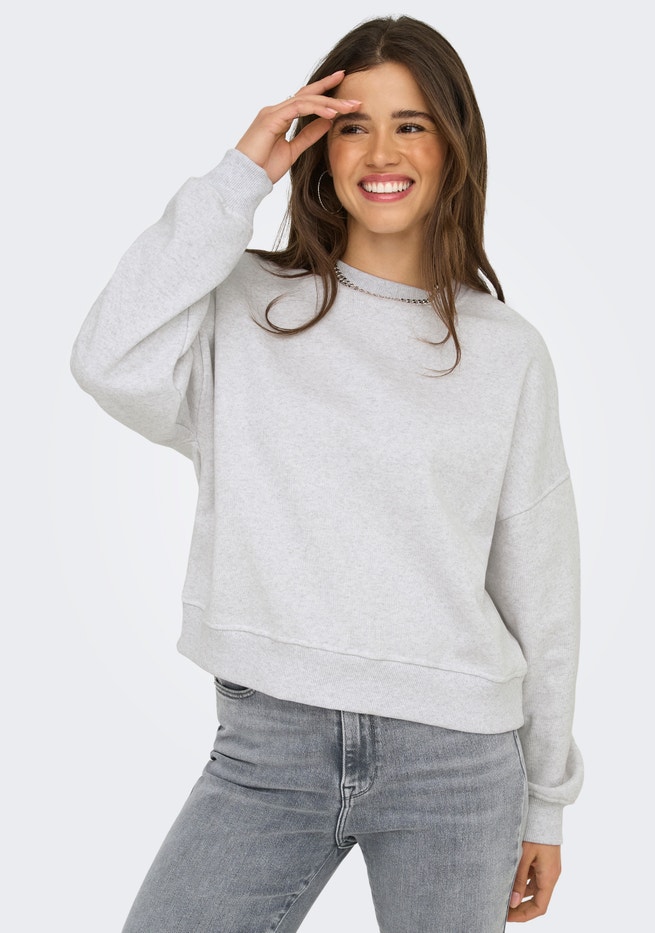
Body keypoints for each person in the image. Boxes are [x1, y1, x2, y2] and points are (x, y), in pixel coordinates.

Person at [70, 14, 583, 933]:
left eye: (411, 124)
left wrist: (545, 800)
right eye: (354, 126)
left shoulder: (508, 352)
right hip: (268, 746)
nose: (382, 152)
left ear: (453, 144)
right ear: (320, 146)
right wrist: (242, 173)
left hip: (456, 758)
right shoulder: (243, 307)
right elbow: (109, 358)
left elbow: (540, 587)